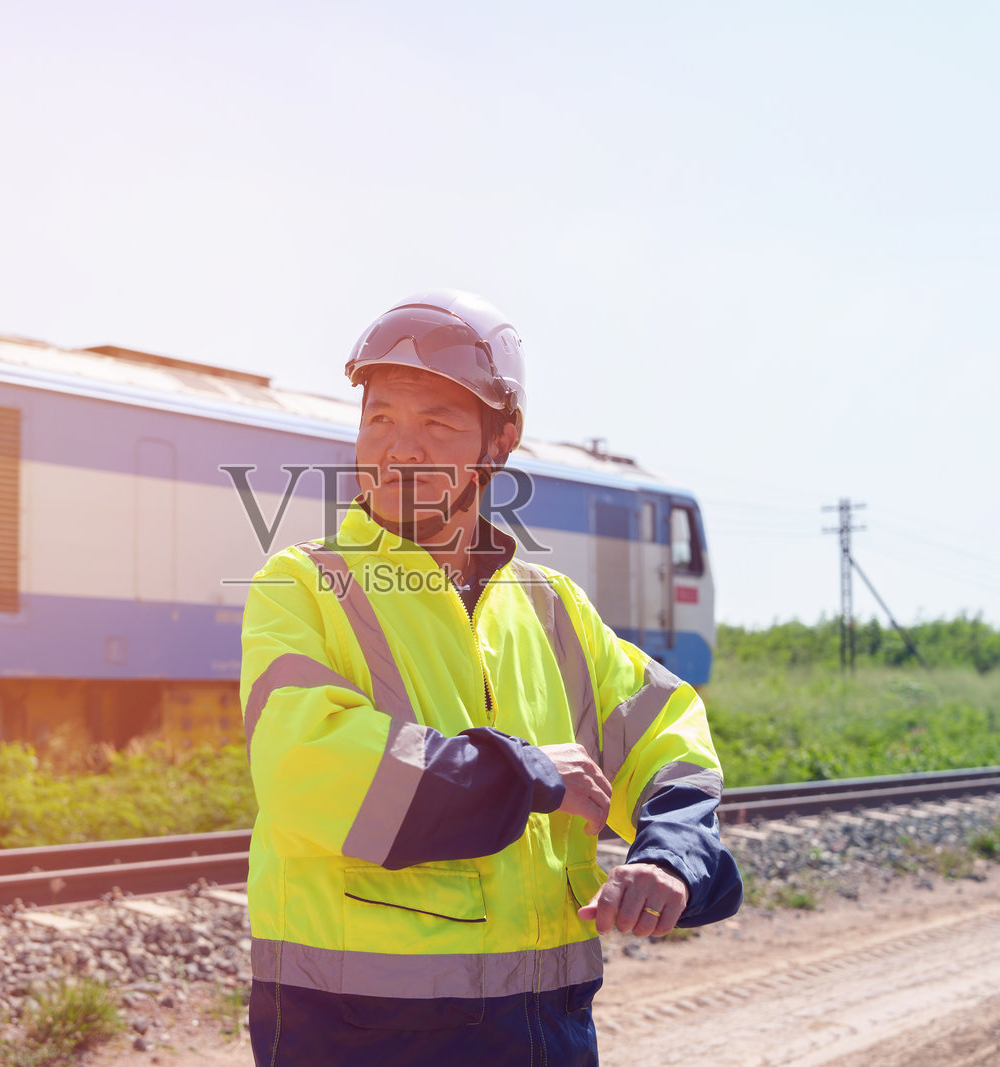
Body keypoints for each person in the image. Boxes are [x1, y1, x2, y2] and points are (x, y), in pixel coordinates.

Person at [238, 290, 741, 1065]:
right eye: (379, 418)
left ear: (500, 441)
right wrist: (525, 774)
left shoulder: (553, 608)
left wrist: (669, 855)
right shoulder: (304, 586)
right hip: (361, 1035)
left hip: (543, 1032)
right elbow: (311, 768)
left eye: (435, 423)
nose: (398, 450)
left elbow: (667, 733)